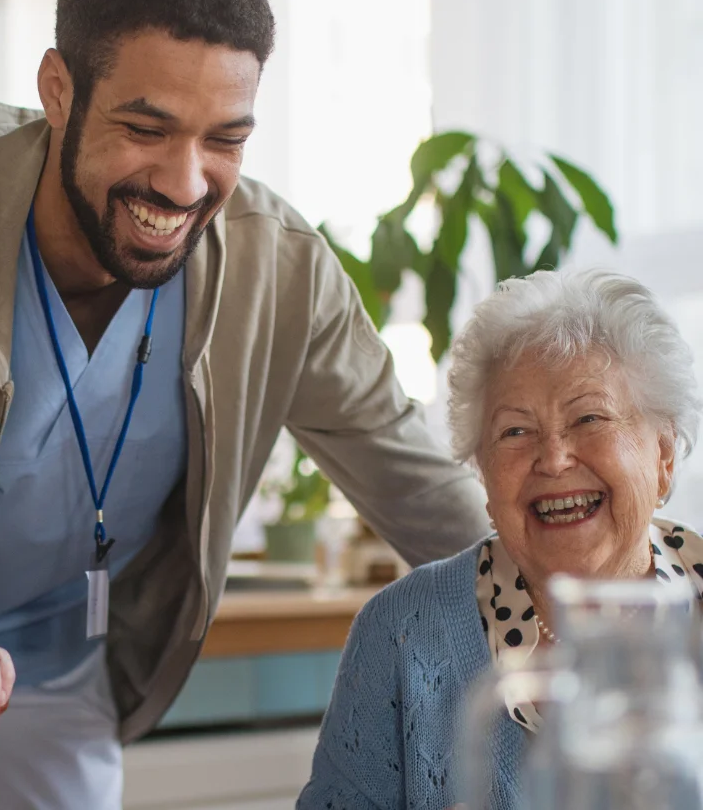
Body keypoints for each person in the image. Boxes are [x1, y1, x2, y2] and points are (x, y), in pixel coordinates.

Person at [0, 0, 489, 810]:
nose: (184, 183)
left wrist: (622, 597)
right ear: (58, 91)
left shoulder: (277, 274)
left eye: (226, 138)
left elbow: (440, 502)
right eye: (148, 127)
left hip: (65, 681)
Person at [297, 269, 703, 810]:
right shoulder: (401, 634)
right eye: (515, 431)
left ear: (664, 455)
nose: (554, 458)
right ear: (483, 474)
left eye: (589, 417)